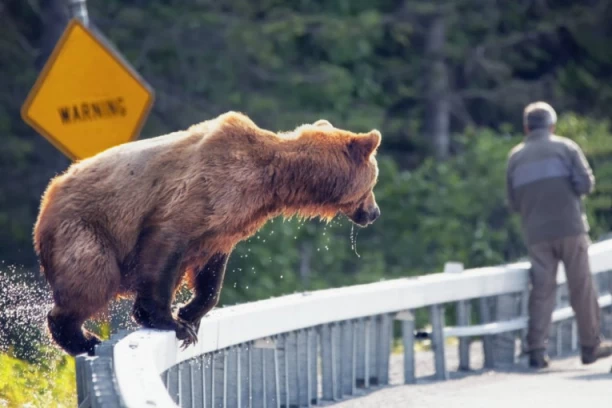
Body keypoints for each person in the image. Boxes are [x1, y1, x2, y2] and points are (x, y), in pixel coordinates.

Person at [505, 101, 612, 368]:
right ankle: (590, 346)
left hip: (536, 234)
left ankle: (536, 351)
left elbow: (513, 202)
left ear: (527, 127)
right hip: (570, 228)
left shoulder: (515, 157)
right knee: (581, 287)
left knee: (541, 291)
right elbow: (586, 184)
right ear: (552, 126)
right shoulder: (566, 147)